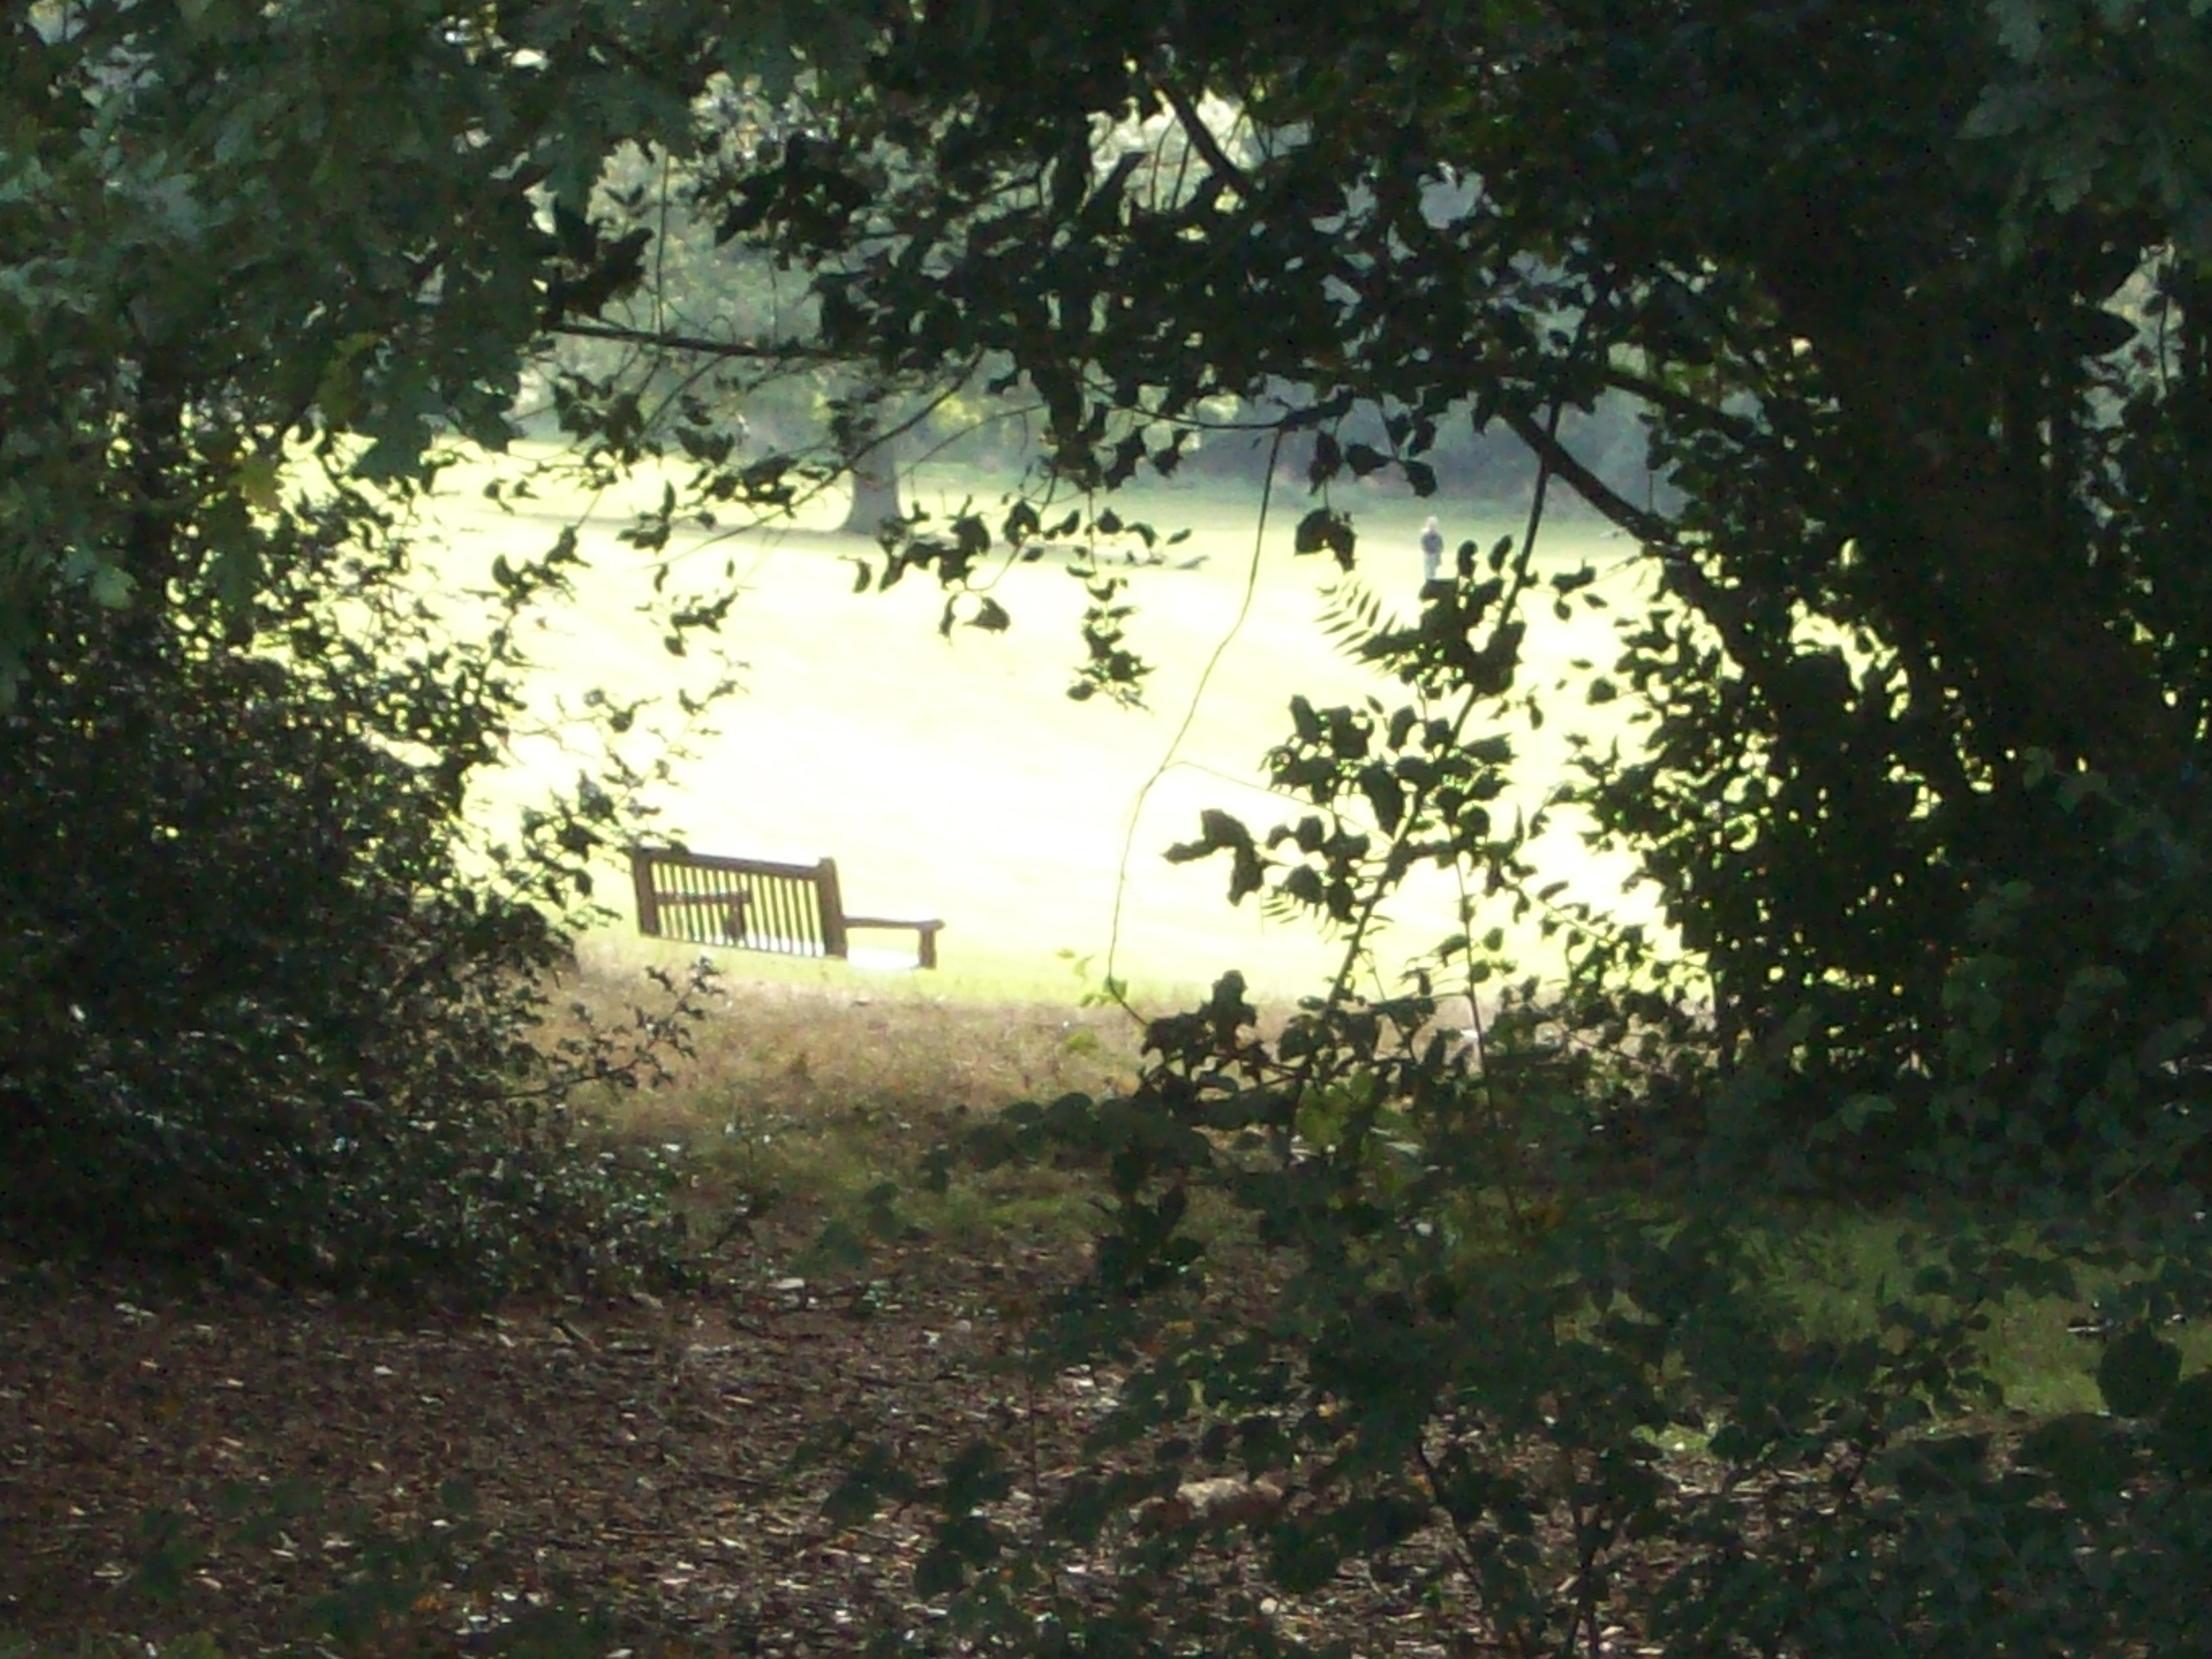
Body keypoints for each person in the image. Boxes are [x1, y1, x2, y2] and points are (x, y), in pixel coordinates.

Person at [1420, 515, 1445, 585]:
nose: (1432, 528)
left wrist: (1439, 557)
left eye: (1434, 526)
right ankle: (1428, 584)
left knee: (1433, 573)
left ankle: (1432, 585)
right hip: (1428, 556)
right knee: (1428, 573)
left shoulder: (1439, 536)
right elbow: (1423, 546)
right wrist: (1428, 552)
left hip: (1435, 556)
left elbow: (1441, 547)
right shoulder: (1425, 535)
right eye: (1431, 525)